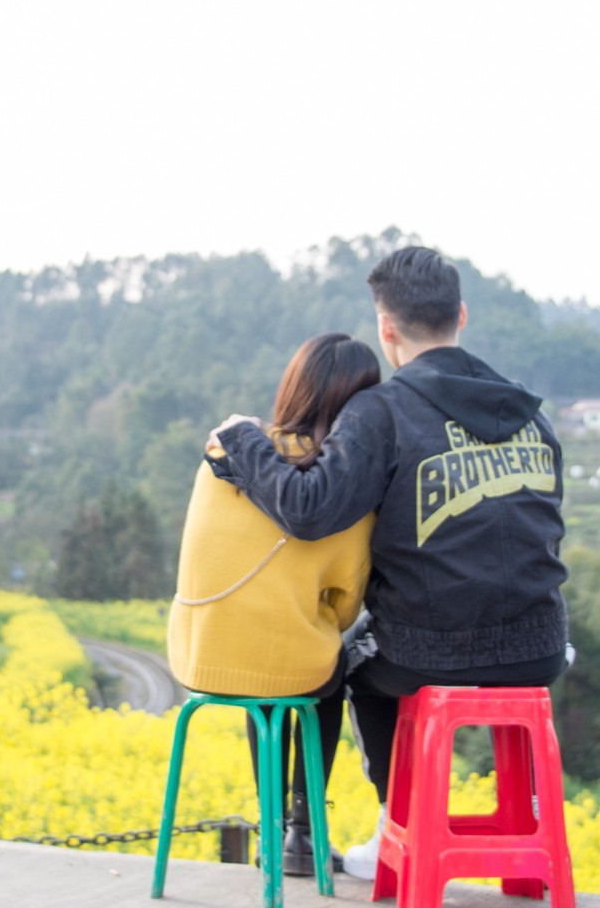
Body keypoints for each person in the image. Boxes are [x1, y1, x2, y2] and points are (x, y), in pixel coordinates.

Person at [206, 246, 569, 878]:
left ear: (387, 329)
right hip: (541, 646)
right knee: (383, 647)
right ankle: (522, 837)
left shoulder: (382, 412)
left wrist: (242, 438)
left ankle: (393, 827)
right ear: (461, 315)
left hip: (432, 651)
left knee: (349, 664)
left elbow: (310, 507)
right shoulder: (531, 417)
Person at [169, 332, 381, 877]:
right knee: (329, 663)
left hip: (199, 652)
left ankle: (270, 826)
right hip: (287, 665)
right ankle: (303, 831)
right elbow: (345, 596)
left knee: (265, 664)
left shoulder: (225, 453)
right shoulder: (340, 481)